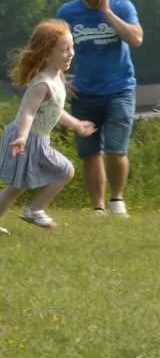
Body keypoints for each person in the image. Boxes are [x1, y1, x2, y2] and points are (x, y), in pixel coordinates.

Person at [57, 0, 142, 217]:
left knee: (116, 149)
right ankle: (98, 207)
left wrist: (107, 12)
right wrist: (61, 81)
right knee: (89, 153)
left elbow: (136, 39)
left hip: (120, 89)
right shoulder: (67, 13)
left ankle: (117, 201)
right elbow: (52, 49)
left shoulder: (122, 6)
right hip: (84, 93)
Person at [0, 20, 97, 232]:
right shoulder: (43, 84)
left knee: (19, 186)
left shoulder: (58, 78)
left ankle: (34, 210)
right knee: (63, 171)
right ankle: (35, 210)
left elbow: (54, 110)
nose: (70, 53)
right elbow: (29, 112)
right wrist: (22, 137)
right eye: (64, 50)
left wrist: (76, 124)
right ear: (46, 54)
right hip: (26, 139)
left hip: (37, 140)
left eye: (71, 47)